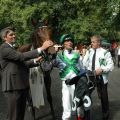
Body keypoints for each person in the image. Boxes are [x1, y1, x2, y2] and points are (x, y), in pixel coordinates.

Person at [0, 27, 53, 120]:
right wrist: (41, 48)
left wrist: (35, 61)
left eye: (14, 34)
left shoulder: (12, 49)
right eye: (11, 35)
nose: (14, 36)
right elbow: (21, 56)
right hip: (12, 87)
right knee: (14, 116)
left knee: (20, 115)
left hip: (20, 86)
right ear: (4, 38)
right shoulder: (4, 48)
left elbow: (22, 64)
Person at [54, 34, 91, 120]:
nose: (70, 42)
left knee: (79, 107)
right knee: (66, 107)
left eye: (71, 41)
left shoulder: (77, 55)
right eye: (67, 41)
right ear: (63, 44)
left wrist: (86, 79)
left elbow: (82, 68)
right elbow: (50, 65)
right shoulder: (58, 55)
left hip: (77, 84)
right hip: (65, 84)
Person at [83, 35, 114, 120]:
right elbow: (84, 63)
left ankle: (106, 116)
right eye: (91, 42)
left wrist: (102, 70)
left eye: (93, 42)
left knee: (103, 98)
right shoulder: (89, 51)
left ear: (98, 42)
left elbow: (111, 66)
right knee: (86, 95)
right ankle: (86, 115)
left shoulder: (105, 52)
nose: (91, 43)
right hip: (90, 77)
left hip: (101, 78)